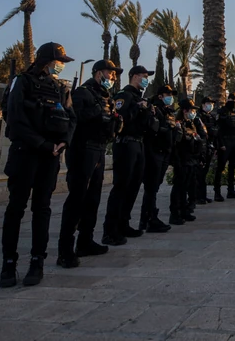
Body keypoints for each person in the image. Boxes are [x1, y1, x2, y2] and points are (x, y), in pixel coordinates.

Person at [0, 42, 76, 288]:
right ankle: (8, 264)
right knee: (16, 209)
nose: (61, 67)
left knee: (42, 209)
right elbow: (14, 118)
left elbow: (70, 118)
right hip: (25, 153)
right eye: (59, 61)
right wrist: (43, 144)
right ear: (46, 60)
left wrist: (63, 142)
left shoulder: (59, 88)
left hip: (50, 157)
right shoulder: (21, 82)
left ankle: (37, 261)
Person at [57, 59, 122, 269]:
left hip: (99, 149)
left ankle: (86, 241)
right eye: (109, 73)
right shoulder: (83, 93)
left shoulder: (105, 97)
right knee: (77, 198)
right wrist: (98, 114)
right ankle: (65, 250)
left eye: (113, 75)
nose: (112, 77)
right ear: (97, 73)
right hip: (82, 149)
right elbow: (74, 119)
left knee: (93, 198)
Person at [102, 65, 153, 245]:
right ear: (134, 76)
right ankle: (110, 230)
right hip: (125, 144)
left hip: (138, 144)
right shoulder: (124, 96)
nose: (146, 79)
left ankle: (124, 224)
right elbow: (121, 119)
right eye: (144, 76)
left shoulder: (140, 98)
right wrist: (138, 109)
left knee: (133, 187)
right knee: (121, 187)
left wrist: (146, 110)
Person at [139, 84, 178, 233]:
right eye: (168, 94)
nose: (170, 97)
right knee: (151, 187)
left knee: (154, 187)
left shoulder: (167, 110)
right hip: (154, 151)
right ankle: (149, 219)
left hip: (163, 151)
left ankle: (147, 218)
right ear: (160, 95)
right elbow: (153, 129)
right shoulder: (155, 108)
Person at [169, 99, 201, 225]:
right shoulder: (178, 123)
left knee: (188, 186)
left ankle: (184, 210)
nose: (193, 112)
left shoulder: (190, 123)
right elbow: (178, 141)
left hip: (191, 159)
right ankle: (175, 213)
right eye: (191, 110)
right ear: (184, 111)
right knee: (179, 187)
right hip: (181, 159)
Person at [214, 99, 235, 201]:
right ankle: (217, 192)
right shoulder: (222, 113)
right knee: (221, 168)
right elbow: (219, 130)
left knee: (232, 167)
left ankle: (231, 190)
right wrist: (221, 144)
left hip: (234, 142)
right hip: (225, 143)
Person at [195, 98, 218, 205]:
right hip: (201, 147)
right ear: (203, 104)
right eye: (209, 103)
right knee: (199, 173)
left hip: (209, 146)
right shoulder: (198, 116)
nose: (211, 105)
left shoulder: (211, 116)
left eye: (212, 104)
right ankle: (197, 196)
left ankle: (203, 196)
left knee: (204, 173)